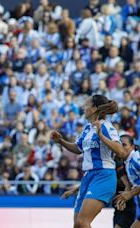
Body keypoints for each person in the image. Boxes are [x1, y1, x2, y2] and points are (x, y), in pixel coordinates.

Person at [51, 94, 125, 228]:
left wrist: (101, 136)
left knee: (82, 222)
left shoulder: (107, 127)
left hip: (104, 175)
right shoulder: (87, 129)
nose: (83, 108)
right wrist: (60, 141)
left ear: (94, 109)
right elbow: (78, 148)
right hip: (88, 177)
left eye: (86, 105)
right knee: (77, 225)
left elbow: (121, 151)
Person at [114, 135, 140, 228]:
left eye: (124, 145)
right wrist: (126, 195)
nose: (121, 148)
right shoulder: (127, 162)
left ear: (132, 147)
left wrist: (131, 194)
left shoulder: (136, 158)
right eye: (119, 145)